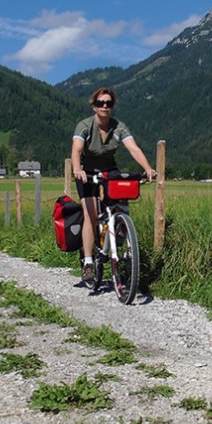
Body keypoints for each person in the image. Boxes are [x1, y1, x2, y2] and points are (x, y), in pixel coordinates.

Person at [71, 87, 155, 283]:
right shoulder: (84, 126)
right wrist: (78, 169)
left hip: (110, 170)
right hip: (87, 172)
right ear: (94, 106)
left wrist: (148, 168)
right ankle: (89, 263)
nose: (105, 107)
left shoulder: (118, 127)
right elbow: (76, 150)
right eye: (101, 103)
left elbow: (133, 148)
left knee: (121, 205)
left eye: (108, 103)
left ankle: (118, 235)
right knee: (91, 214)